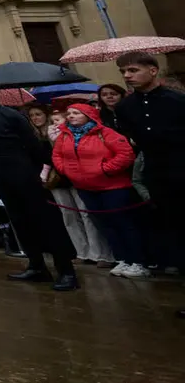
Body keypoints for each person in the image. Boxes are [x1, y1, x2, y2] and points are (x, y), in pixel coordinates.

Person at [0, 81, 78, 290]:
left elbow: (32, 144)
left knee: (45, 221)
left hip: (24, 171)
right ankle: (37, 265)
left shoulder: (11, 115)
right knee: (20, 221)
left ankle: (66, 270)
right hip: (3, 173)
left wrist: (40, 171)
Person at [112, 51, 185, 319]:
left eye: (132, 70)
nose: (127, 76)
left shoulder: (177, 101)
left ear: (152, 70)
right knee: (177, 235)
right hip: (159, 177)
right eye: (124, 72)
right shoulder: (124, 108)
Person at [51, 104, 148, 279]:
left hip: (113, 187)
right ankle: (123, 258)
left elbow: (125, 154)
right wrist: (65, 170)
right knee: (105, 224)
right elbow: (57, 155)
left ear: (89, 115)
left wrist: (105, 169)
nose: (71, 116)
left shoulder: (106, 133)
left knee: (124, 223)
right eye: (69, 113)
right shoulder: (65, 135)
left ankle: (138, 261)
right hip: (84, 186)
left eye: (76, 113)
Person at [26, 103, 113, 266]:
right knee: (69, 216)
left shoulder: (63, 132)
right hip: (55, 179)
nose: (35, 118)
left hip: (72, 176)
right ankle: (81, 250)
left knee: (86, 214)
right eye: (32, 115)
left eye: (38, 114)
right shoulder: (36, 135)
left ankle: (100, 253)